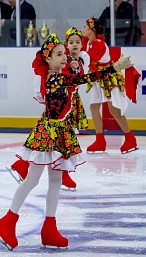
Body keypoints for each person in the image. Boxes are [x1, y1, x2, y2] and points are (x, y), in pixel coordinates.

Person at [0, 34, 132, 251]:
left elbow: (77, 78)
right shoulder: (56, 79)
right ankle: (7, 223)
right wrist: (115, 67)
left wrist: (76, 66)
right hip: (48, 133)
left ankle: (49, 228)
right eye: (59, 54)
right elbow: (86, 78)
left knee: (56, 181)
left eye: (64, 53)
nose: (64, 57)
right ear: (48, 59)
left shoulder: (60, 75)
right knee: (31, 181)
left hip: (61, 131)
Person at [9, 27, 87, 191]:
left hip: (70, 102)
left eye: (77, 42)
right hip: (61, 103)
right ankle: (60, 173)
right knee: (56, 137)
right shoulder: (61, 65)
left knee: (58, 137)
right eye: (71, 42)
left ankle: (24, 165)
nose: (74, 45)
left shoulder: (79, 60)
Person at [83, 18, 139, 154]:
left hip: (109, 79)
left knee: (114, 111)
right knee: (94, 107)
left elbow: (88, 58)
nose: (83, 29)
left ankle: (130, 138)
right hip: (98, 79)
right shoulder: (89, 43)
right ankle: (100, 140)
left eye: (85, 26)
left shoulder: (99, 44)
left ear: (92, 29)